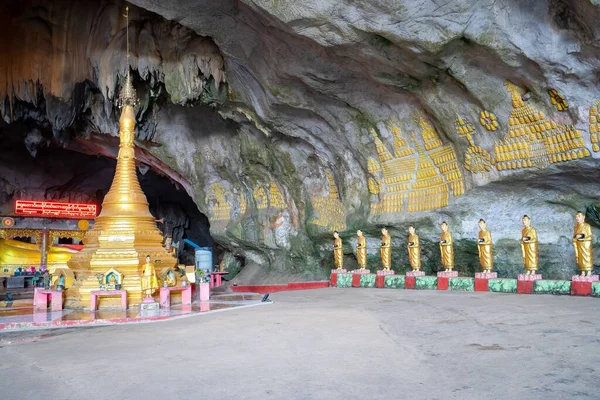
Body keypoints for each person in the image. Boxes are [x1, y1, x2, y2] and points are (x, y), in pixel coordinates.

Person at [573, 211, 593, 276]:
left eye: (579, 216)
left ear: (583, 217)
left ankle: (589, 272)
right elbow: (574, 236)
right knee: (580, 258)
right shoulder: (576, 227)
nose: (577, 218)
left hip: (586, 245)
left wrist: (582, 238)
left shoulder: (587, 226)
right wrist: (574, 239)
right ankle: (583, 272)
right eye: (576, 217)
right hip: (579, 245)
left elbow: (590, 236)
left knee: (587, 257)